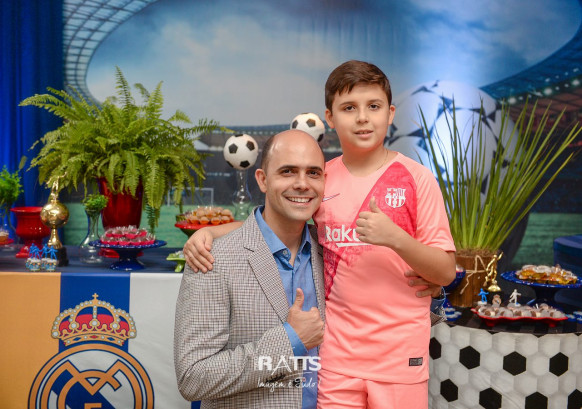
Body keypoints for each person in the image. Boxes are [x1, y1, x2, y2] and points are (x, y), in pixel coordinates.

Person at [183, 60, 456, 408]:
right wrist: (212, 232)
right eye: (349, 108)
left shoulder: (417, 180)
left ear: (390, 113)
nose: (362, 118)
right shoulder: (320, 177)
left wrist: (396, 239)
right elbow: (279, 221)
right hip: (335, 360)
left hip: (400, 359)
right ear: (329, 118)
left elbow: (445, 272)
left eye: (373, 106)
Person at [174, 130, 326, 408]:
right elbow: (193, 377)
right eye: (288, 171)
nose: (302, 184)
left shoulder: (330, 252)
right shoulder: (212, 259)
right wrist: (290, 341)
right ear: (263, 179)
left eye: (313, 173)